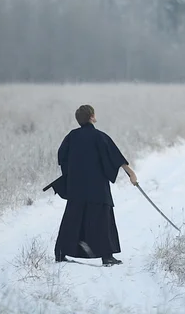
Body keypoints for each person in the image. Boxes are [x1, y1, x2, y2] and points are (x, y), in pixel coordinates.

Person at [53, 104, 138, 266]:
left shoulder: (71, 136)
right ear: (92, 117)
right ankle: (107, 256)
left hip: (76, 186)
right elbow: (115, 157)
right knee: (101, 220)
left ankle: (60, 253)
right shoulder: (100, 136)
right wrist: (131, 174)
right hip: (97, 187)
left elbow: (61, 156)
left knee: (73, 218)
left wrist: (71, 174)